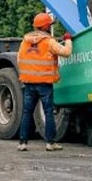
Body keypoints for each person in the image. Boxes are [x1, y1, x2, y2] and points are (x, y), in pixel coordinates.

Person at [17, 12, 72, 152]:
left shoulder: (25, 41)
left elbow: (19, 60)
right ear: (46, 26)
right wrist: (68, 39)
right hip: (44, 84)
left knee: (27, 113)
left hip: (29, 83)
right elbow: (66, 52)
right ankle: (50, 143)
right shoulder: (49, 42)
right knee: (48, 112)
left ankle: (22, 143)